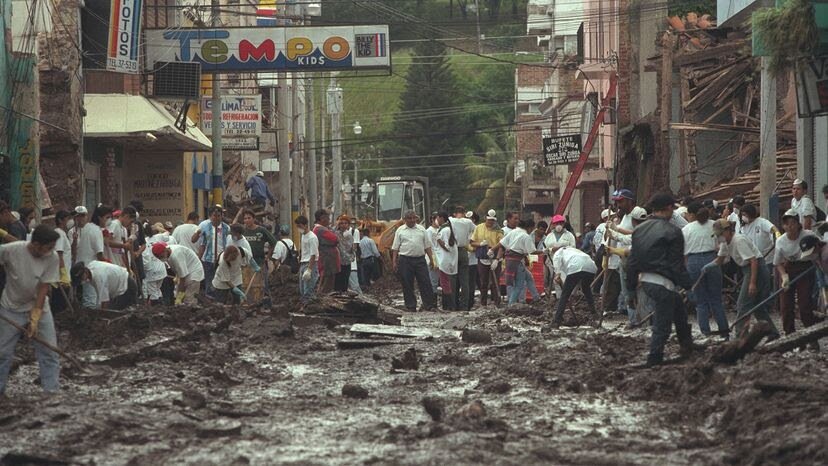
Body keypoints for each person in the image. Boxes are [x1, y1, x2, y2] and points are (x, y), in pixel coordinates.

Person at [626, 193, 701, 367]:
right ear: (668, 208)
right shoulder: (673, 231)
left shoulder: (638, 230)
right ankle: (654, 357)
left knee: (679, 309)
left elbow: (632, 262)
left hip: (646, 280)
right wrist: (688, 286)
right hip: (663, 282)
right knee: (663, 323)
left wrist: (630, 289)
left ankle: (686, 345)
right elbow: (677, 264)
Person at [0, 225, 61, 396]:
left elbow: (43, 288)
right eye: (48, 247)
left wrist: (35, 317)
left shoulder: (52, 257)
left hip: (40, 309)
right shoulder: (12, 250)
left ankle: (51, 393)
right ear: (35, 244)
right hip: (11, 307)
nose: (51, 251)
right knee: (2, 353)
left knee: (49, 351)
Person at [711, 219, 780, 340]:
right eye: (718, 235)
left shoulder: (738, 240)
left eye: (720, 234)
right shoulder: (726, 242)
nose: (719, 237)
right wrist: (708, 267)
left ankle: (740, 337)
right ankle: (772, 332)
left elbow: (753, 261)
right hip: (748, 269)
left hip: (756, 269)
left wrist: (752, 283)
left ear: (728, 231)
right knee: (757, 306)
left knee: (743, 303)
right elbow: (721, 259)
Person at [682, 203, 728, 339]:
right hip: (712, 259)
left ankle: (705, 334)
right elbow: (723, 245)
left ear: (695, 215)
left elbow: (683, 253)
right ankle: (724, 332)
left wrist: (687, 268)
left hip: (693, 261)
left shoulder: (686, 229)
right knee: (716, 300)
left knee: (701, 301)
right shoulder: (715, 225)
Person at [773, 209, 818, 337]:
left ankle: (811, 337)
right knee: (786, 306)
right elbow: (777, 263)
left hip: (806, 268)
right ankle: (790, 336)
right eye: (786, 224)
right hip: (788, 269)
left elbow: (819, 248)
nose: (790, 226)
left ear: (798, 224)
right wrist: (784, 276)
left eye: (793, 223)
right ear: (783, 226)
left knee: (805, 304)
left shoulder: (808, 235)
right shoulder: (781, 241)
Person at [391, 211, 437, 312]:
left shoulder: (421, 229)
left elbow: (427, 246)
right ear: (405, 220)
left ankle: (428, 305)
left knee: (425, 282)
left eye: (414, 218)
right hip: (405, 260)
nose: (412, 220)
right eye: (410, 218)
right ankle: (411, 306)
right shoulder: (400, 230)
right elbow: (395, 248)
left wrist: (432, 259)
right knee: (407, 283)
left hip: (420, 259)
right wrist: (394, 262)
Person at [607, 189, 637, 317]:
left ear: (629, 201)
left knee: (632, 292)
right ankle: (632, 319)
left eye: (621, 201)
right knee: (626, 293)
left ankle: (637, 318)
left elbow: (636, 235)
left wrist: (615, 232)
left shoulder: (636, 215)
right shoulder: (624, 216)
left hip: (634, 259)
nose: (618, 205)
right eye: (617, 202)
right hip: (622, 258)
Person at [550, 246, 598, 328]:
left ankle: (557, 320)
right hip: (591, 267)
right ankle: (594, 313)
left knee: (564, 295)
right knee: (586, 290)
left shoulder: (558, 253)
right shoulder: (574, 250)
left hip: (575, 266)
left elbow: (557, 263)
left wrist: (557, 274)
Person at [70, 206, 105, 308]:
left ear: (86, 216)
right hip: (77, 266)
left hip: (89, 267)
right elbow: (72, 251)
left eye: (82, 216)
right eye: (78, 216)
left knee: (91, 294)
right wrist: (75, 241)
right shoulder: (72, 232)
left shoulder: (90, 229)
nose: (80, 219)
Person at [500, 218, 542, 305]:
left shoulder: (514, 232)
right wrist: (544, 251)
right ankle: (511, 304)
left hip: (511, 259)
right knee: (519, 285)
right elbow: (532, 251)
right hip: (517, 261)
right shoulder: (526, 236)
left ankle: (536, 297)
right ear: (530, 228)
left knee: (529, 277)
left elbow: (502, 243)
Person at [192, 205, 230, 297]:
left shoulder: (226, 228)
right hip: (208, 259)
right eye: (214, 215)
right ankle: (210, 300)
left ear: (222, 216)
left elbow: (229, 243)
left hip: (222, 259)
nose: (216, 218)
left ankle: (221, 299)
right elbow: (196, 241)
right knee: (210, 282)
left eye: (218, 216)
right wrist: (197, 233)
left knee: (222, 282)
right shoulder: (204, 226)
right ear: (210, 216)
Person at [69, 260, 137, 310]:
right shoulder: (91, 266)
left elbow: (105, 302)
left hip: (127, 287)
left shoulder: (99, 277)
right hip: (121, 285)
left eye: (81, 278)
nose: (82, 281)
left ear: (85, 272)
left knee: (112, 312)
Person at [240, 209, 277, 301]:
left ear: (253, 219)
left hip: (259, 261)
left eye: (249, 218)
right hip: (244, 262)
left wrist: (268, 257)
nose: (247, 220)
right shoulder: (242, 231)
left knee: (262, 285)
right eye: (245, 218)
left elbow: (273, 243)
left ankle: (265, 303)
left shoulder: (261, 230)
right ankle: (247, 302)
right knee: (245, 284)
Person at [471, 210, 503, 307]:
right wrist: (480, 244)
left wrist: (497, 260)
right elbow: (472, 242)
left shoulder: (498, 230)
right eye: (489, 220)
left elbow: (502, 245)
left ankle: (496, 303)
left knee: (495, 282)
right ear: (486, 218)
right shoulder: (479, 228)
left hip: (494, 258)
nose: (490, 222)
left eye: (492, 221)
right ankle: (483, 303)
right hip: (483, 258)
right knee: (483, 282)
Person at [143, 223, 176, 305]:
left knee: (153, 292)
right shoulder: (159, 237)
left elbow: (145, 258)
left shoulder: (144, 242)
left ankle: (156, 308)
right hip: (161, 269)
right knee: (158, 290)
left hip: (151, 270)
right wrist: (160, 228)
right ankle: (161, 306)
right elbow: (167, 233)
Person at [449, 207, 476, 310]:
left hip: (453, 251)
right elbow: (476, 230)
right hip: (464, 251)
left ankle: (453, 305)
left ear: (455, 213)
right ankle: (464, 306)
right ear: (464, 213)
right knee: (465, 281)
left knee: (453, 279)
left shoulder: (450, 220)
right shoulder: (468, 222)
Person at [544, 215, 576, 298]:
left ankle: (567, 298)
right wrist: (551, 249)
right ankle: (559, 298)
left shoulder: (569, 235)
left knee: (565, 280)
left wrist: (561, 248)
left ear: (563, 224)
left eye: (560, 223)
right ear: (553, 225)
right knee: (556, 280)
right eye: (556, 223)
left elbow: (573, 247)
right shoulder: (549, 236)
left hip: (565, 261)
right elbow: (544, 249)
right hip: (552, 261)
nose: (558, 225)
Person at [434, 212, 459, 311]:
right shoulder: (449, 229)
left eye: (437, 218)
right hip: (448, 260)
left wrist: (438, 240)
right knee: (447, 283)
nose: (436, 220)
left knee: (445, 283)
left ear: (441, 218)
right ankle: (450, 305)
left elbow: (448, 247)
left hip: (445, 260)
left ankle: (448, 305)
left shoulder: (445, 230)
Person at [313, 209, 340, 294]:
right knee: (327, 285)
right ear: (322, 219)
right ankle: (322, 301)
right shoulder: (321, 230)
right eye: (327, 218)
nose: (328, 221)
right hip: (327, 261)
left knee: (326, 283)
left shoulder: (318, 229)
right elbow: (335, 239)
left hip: (326, 260)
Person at [800, 235, 828, 311]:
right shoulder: (815, 256)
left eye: (812, 251)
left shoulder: (826, 254)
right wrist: (822, 285)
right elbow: (819, 271)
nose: (810, 254)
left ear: (817, 245)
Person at [295, 216, 319, 303]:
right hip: (303, 263)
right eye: (297, 226)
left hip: (310, 264)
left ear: (305, 225)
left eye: (300, 226)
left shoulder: (312, 237)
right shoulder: (303, 236)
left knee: (308, 290)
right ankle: (304, 306)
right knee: (302, 289)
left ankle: (309, 308)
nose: (299, 228)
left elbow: (313, 255)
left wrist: (309, 269)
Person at [334, 215, 355, 292]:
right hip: (338, 262)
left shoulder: (349, 235)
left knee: (345, 282)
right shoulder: (336, 234)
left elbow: (352, 249)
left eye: (346, 223)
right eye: (342, 223)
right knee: (337, 282)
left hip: (347, 262)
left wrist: (352, 257)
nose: (344, 225)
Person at [426, 213, 441, 294]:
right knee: (433, 280)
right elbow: (429, 246)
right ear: (432, 219)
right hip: (433, 257)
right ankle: (432, 299)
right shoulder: (429, 231)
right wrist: (433, 260)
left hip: (441, 257)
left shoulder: (441, 230)